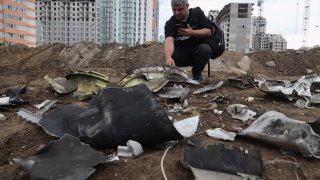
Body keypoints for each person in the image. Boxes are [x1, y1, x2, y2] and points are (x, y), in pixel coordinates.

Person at [164, 0, 213, 81]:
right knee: (168, 54)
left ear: (187, 6)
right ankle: (175, 75)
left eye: (180, 9)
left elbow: (208, 31)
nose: (176, 13)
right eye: (174, 9)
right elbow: (169, 40)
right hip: (180, 54)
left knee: (205, 49)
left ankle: (197, 74)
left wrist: (192, 32)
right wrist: (168, 57)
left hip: (196, 52)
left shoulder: (197, 13)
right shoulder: (170, 23)